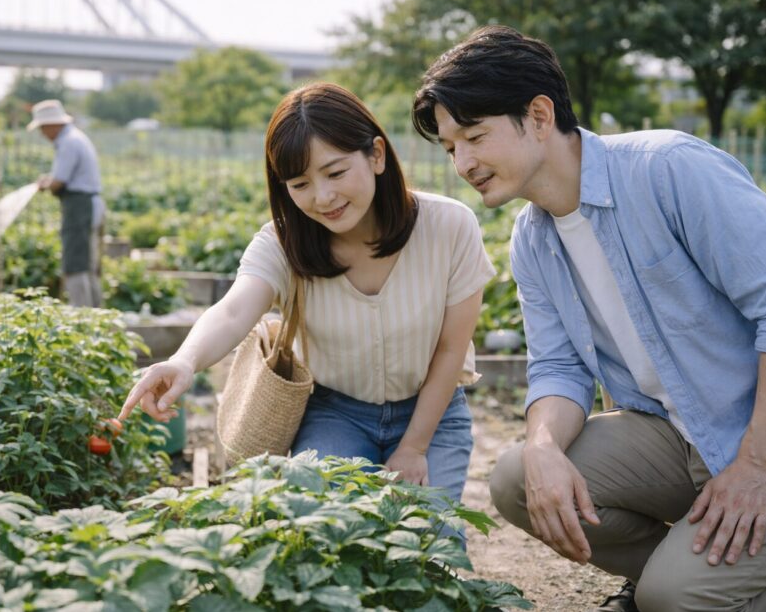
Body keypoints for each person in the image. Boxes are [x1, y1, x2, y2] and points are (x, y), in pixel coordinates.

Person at [411, 25, 766, 612]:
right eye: (449, 147)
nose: (462, 162)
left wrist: (757, 464)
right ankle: (698, 573)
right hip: (678, 433)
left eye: (474, 136)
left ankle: (691, 582)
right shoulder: (532, 239)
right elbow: (559, 367)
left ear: (539, 115)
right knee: (518, 478)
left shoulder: (669, 170)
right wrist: (542, 446)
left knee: (669, 598)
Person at [120, 82, 495, 506]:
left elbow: (451, 349)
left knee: (431, 545)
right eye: (299, 184)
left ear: (376, 154)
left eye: (335, 173)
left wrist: (414, 447)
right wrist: (183, 361)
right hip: (336, 414)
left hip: (434, 413)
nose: (323, 197)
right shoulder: (283, 244)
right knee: (325, 534)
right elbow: (231, 312)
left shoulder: (449, 226)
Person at [29, 99, 106, 308]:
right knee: (88, 265)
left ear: (53, 124)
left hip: (80, 207)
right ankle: (95, 316)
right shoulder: (76, 138)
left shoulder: (68, 142)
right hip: (88, 204)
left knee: (76, 264)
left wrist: (45, 185)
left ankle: (81, 316)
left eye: (43, 128)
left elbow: (59, 182)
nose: (43, 133)